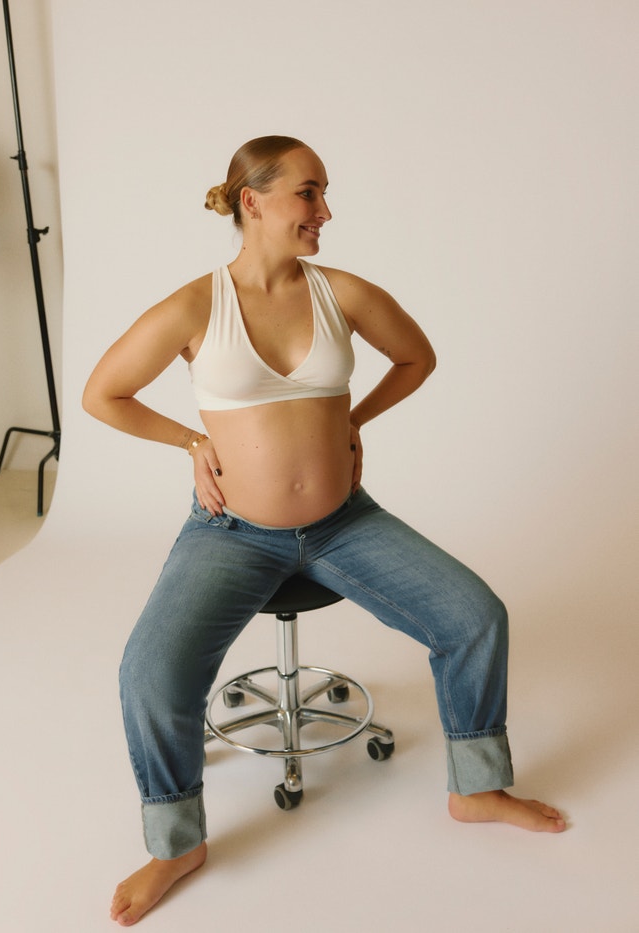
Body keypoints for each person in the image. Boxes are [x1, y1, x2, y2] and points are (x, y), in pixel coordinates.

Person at [83, 135, 565, 927]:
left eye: (324, 193)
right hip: (232, 531)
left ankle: (478, 788)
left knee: (475, 616)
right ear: (253, 200)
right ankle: (176, 845)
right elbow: (103, 392)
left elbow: (416, 358)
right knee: (149, 672)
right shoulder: (196, 306)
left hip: (345, 524)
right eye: (309, 193)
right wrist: (192, 442)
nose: (325, 211)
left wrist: (354, 420)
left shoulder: (343, 292)